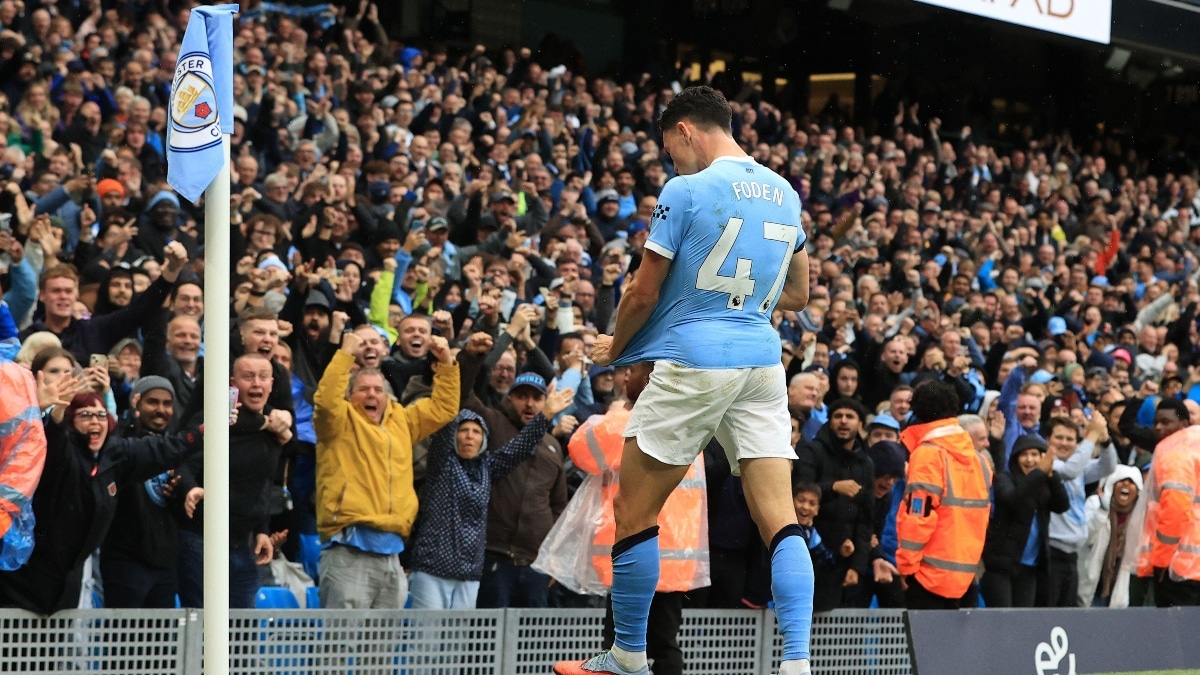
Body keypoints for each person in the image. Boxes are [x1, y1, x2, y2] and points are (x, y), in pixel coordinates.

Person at [560, 86, 813, 675]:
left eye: (670, 149)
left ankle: (627, 655)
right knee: (781, 519)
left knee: (634, 509)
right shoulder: (785, 191)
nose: (673, 162)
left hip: (696, 359)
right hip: (761, 361)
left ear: (684, 130)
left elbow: (642, 293)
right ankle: (797, 662)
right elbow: (798, 294)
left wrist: (615, 347)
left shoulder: (687, 190)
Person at [551, 362, 708, 675]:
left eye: (630, 371)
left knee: (621, 648)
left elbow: (581, 449)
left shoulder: (633, 421)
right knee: (664, 645)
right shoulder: (687, 421)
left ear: (650, 377)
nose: (624, 377)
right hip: (674, 562)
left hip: (636, 554)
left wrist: (614, 414)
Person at [313, 329, 458, 609]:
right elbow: (326, 402)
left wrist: (447, 364)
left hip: (392, 555)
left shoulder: (401, 420)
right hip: (348, 551)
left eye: (378, 390)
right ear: (350, 395)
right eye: (363, 389)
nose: (372, 395)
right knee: (341, 639)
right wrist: (345, 354)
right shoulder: (338, 421)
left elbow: (444, 408)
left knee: (384, 639)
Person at [407, 382, 574, 609]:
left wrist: (545, 415)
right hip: (432, 569)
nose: (469, 436)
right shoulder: (442, 465)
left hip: (469, 574)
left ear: (484, 440)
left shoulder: (487, 469)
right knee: (428, 632)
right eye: (463, 430)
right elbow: (444, 426)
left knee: (461, 633)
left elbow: (519, 447)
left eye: (476, 432)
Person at [896, 380, 991, 609]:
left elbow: (919, 517)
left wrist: (906, 567)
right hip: (966, 578)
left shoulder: (927, 455)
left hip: (928, 578)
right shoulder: (980, 460)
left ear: (917, 412)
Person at [792, 397, 874, 611]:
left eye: (850, 416)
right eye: (838, 416)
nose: (843, 421)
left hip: (845, 559)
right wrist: (833, 486)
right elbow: (799, 492)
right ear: (829, 422)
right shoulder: (812, 451)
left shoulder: (866, 464)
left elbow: (866, 521)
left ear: (860, 424)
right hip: (808, 554)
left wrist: (857, 566)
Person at [980, 435, 1068, 608]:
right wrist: (1039, 473)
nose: (1029, 460)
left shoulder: (1043, 483)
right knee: (1002, 618)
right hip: (1000, 566)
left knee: (1022, 619)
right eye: (1024, 455)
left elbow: (1062, 505)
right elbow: (1013, 499)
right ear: (1015, 458)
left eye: (1035, 454)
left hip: (1029, 567)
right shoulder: (1004, 479)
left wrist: (1051, 475)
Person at [1137, 399, 1200, 607]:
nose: (1158, 427)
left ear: (1184, 424)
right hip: (1191, 567)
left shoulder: (1175, 454)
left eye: (1166, 422)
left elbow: (1175, 510)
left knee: (1177, 628)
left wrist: (1161, 561)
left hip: (1180, 568)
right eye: (1155, 422)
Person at [1078, 465, 1143, 607]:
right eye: (1121, 480)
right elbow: (1086, 538)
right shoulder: (1095, 504)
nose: (1126, 484)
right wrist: (1102, 511)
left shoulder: (1140, 516)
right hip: (1092, 583)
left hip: (1118, 587)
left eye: (1131, 482)